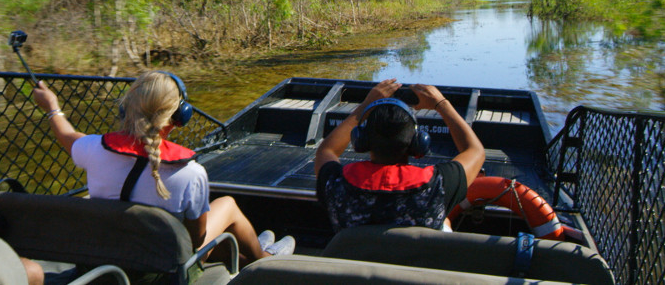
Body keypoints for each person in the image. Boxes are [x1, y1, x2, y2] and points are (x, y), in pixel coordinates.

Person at [31, 71, 294, 267]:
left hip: (110, 260)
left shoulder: (92, 148)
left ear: (126, 108)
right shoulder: (190, 173)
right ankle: (263, 259)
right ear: (180, 117)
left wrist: (52, 107)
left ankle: (256, 254)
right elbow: (195, 239)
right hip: (163, 268)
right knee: (227, 205)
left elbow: (67, 135)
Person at [314, 78, 485, 232]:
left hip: (354, 266)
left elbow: (326, 150)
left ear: (361, 140)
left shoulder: (336, 182)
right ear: (418, 143)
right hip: (415, 266)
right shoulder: (437, 185)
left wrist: (365, 105)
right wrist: (441, 103)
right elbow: (475, 151)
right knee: (445, 223)